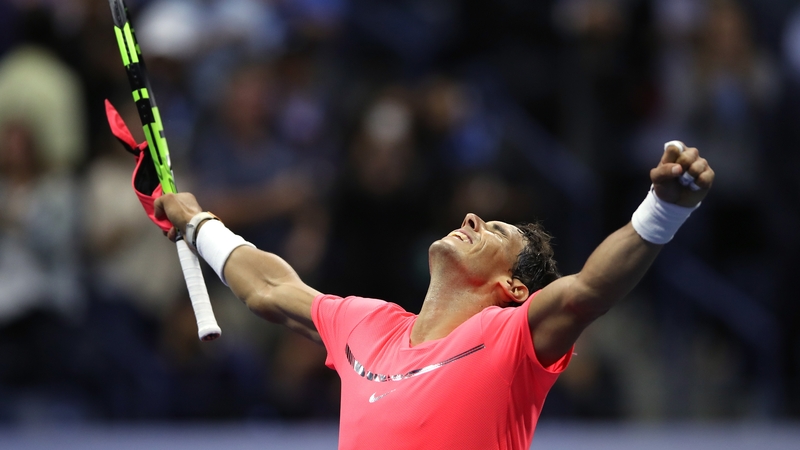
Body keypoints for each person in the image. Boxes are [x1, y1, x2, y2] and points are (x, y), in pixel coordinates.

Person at [153, 141, 714, 449]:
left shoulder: (509, 339)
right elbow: (272, 287)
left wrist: (663, 210)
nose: (470, 219)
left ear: (513, 288)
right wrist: (199, 224)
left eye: (494, 231)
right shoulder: (367, 325)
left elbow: (589, 290)